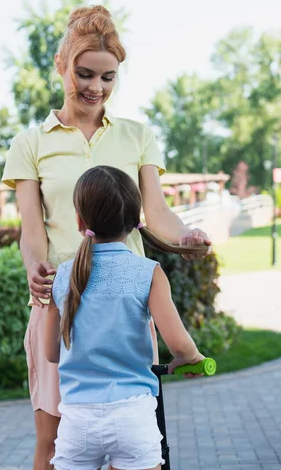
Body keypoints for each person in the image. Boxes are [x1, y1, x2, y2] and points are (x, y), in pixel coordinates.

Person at [2, 5, 211, 469]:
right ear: (62, 67)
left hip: (123, 311)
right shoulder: (30, 144)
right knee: (53, 446)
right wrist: (35, 270)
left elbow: (155, 212)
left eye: (108, 77)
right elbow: (31, 232)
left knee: (133, 445)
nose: (96, 88)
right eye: (84, 74)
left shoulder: (138, 136)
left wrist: (187, 235)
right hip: (62, 305)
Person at [45, 165, 206, 470]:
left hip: (77, 420)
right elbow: (180, 346)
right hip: (133, 416)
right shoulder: (149, 273)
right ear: (135, 223)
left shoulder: (62, 277)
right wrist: (191, 359)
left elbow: (51, 353)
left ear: (80, 221)